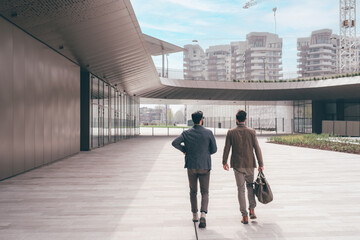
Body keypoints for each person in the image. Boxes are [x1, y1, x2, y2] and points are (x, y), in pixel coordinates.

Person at [172, 111, 217, 228]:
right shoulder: (208, 133)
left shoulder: (186, 133)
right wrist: (205, 153)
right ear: (202, 119)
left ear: (193, 120)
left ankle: (195, 215)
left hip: (191, 165)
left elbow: (174, 142)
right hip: (205, 165)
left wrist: (184, 150)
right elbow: (214, 149)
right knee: (205, 192)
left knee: (193, 191)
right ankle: (203, 215)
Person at [222, 110, 264, 224]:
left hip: (237, 165)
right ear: (245, 119)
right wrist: (261, 164)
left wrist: (224, 161)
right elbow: (257, 148)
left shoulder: (231, 132)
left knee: (241, 189)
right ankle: (252, 210)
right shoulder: (252, 132)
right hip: (250, 164)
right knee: (250, 186)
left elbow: (227, 148)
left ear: (236, 119)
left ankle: (244, 216)